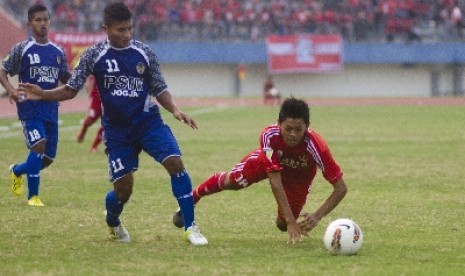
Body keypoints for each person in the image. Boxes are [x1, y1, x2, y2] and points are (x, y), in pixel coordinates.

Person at [19, 2, 208, 245]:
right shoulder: (93, 55)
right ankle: (113, 220)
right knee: (123, 190)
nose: (127, 35)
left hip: (148, 122)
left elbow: (159, 87)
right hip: (117, 131)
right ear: (106, 28)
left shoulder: (144, 52)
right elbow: (70, 89)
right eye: (120, 30)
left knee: (175, 162)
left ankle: (191, 227)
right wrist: (42, 94)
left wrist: (175, 110)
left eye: (130, 29)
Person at [173, 97, 347, 244]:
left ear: (307, 126)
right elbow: (274, 179)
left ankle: (286, 220)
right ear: (279, 124)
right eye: (288, 128)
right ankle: (194, 197)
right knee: (233, 182)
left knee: (282, 225)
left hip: (299, 179)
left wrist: (317, 216)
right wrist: (291, 220)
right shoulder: (269, 135)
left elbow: (341, 188)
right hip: (266, 164)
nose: (293, 134)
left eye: (298, 129)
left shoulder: (317, 146)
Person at [0, 4, 71, 207]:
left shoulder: (58, 51)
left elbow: (65, 77)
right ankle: (33, 197)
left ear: (50, 22)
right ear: (30, 23)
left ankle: (17, 171)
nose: (42, 24)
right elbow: (2, 71)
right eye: (38, 20)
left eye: (45, 20)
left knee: (47, 158)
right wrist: (11, 90)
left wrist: (78, 78)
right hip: (29, 107)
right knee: (38, 145)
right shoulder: (22, 49)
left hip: (50, 107)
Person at [76, 75, 104, 152]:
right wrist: (89, 90)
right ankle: (82, 132)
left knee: (106, 125)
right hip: (97, 101)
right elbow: (89, 78)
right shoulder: (99, 66)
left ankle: (94, 146)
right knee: (89, 121)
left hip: (109, 101)